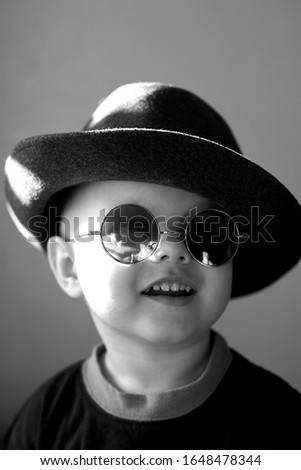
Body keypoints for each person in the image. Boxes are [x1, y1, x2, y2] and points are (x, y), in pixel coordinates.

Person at [3, 82, 301, 450]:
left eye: (208, 233)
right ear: (68, 266)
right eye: (131, 229)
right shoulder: (44, 425)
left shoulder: (281, 422)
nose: (173, 250)